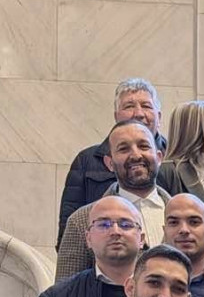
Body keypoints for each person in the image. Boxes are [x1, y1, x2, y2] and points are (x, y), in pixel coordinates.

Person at [26, 197, 144, 297]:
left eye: (125, 225)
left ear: (141, 239)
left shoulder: (162, 296)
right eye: (103, 224)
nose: (115, 231)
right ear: (88, 238)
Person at [55, 120, 168, 281]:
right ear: (109, 163)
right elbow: (65, 292)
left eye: (144, 146)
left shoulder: (186, 218)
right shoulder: (81, 221)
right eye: (123, 149)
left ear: (159, 157)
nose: (136, 155)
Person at [58, 77, 165, 245]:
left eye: (146, 106)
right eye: (129, 106)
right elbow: (69, 234)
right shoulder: (87, 161)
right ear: (116, 116)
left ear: (159, 116)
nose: (138, 113)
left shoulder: (176, 161)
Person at [161, 193, 204, 297]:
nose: (184, 230)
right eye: (174, 222)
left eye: (194, 222)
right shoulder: (149, 278)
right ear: (164, 231)